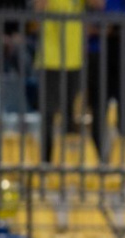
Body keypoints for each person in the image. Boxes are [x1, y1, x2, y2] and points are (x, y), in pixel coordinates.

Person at [86, 0, 125, 161]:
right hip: (100, 51)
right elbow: (96, 4)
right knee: (99, 107)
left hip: (122, 44)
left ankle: (124, 159)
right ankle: (101, 159)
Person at [37, 0, 87, 163]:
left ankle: (68, 164)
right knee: (48, 115)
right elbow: (38, 9)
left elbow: (99, 4)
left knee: (71, 116)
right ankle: (46, 163)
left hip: (75, 60)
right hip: (50, 60)